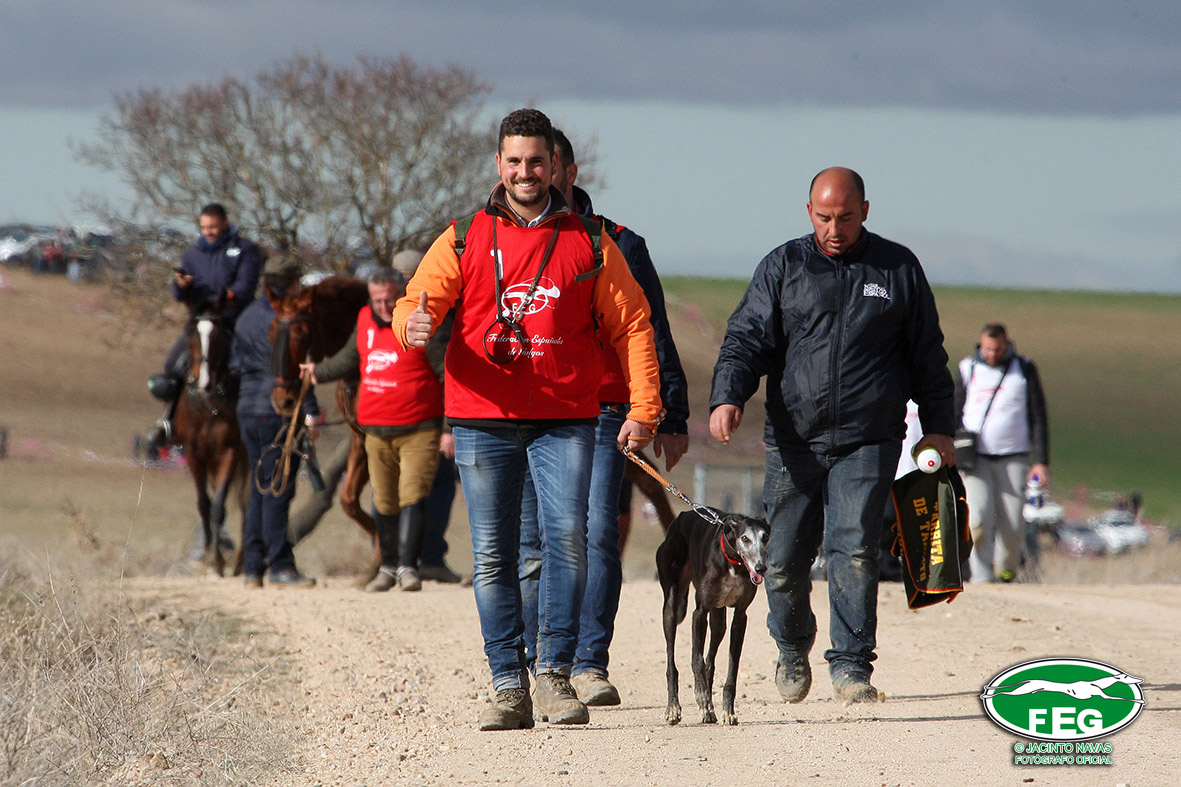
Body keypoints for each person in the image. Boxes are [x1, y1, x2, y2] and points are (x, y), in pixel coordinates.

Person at [392, 108, 662, 731]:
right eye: (513, 161)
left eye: (535, 161)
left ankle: (554, 677)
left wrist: (645, 407)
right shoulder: (462, 236)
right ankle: (507, 682)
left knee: (565, 546)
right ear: (498, 166)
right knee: (493, 554)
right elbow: (419, 297)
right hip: (482, 417)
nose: (525, 172)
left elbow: (632, 325)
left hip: (565, 418)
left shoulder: (590, 242)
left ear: (556, 167)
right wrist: (414, 323)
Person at [709, 167, 955, 705]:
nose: (834, 228)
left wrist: (938, 428)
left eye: (845, 216)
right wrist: (728, 394)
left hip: (870, 437)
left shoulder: (897, 269)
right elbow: (746, 339)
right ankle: (793, 646)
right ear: (809, 213)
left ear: (865, 210)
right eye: (824, 217)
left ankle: (851, 667)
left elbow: (927, 356)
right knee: (784, 556)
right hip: (794, 438)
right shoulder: (783, 265)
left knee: (855, 549)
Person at [518, 128, 690, 707]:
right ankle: (530, 660)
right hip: (531, 406)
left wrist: (671, 413)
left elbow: (653, 328)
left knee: (594, 534)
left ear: (566, 170)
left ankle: (589, 663)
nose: (537, 174)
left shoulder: (619, 242)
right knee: (533, 539)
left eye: (547, 163)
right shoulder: (503, 237)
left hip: (605, 409)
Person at [300, 267, 445, 593]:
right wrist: (315, 372)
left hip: (419, 428)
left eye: (390, 298)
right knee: (385, 499)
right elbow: (348, 359)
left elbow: (444, 371)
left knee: (412, 495)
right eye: (378, 299)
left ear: (402, 294)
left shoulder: (420, 322)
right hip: (375, 429)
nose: (383, 306)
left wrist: (448, 429)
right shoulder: (364, 318)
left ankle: (409, 568)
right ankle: (387, 567)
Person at [147, 203, 264, 450]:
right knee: (171, 369)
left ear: (224, 223)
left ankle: (257, 423)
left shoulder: (245, 250)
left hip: (233, 321)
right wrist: (181, 284)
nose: (208, 232)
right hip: (200, 323)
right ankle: (168, 422)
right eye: (203, 227)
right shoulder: (192, 254)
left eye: (212, 227)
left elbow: (246, 285)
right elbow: (178, 293)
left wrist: (225, 299)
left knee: (253, 367)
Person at [231, 263, 318, 588]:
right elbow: (291, 367)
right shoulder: (286, 317)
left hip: (246, 409)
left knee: (259, 486)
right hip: (278, 409)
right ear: (292, 285)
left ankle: (253, 567)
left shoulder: (245, 316)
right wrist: (309, 410)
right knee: (279, 487)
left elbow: (235, 364)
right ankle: (280, 565)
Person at [392, 248, 466, 585]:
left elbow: (445, 373)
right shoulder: (427, 313)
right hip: (415, 420)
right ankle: (414, 559)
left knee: (433, 489)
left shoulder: (423, 314)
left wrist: (447, 427)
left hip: (434, 420)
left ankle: (426, 559)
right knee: (430, 491)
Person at [955, 322, 1050, 583]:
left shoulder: (1024, 369)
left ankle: (1006, 569)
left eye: (997, 349)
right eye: (986, 349)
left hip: (1014, 456)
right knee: (978, 518)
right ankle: (981, 577)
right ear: (980, 345)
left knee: (1012, 523)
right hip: (975, 459)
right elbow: (955, 410)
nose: (991, 354)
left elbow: (1038, 416)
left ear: (1006, 345)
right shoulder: (967, 368)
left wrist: (1041, 462)